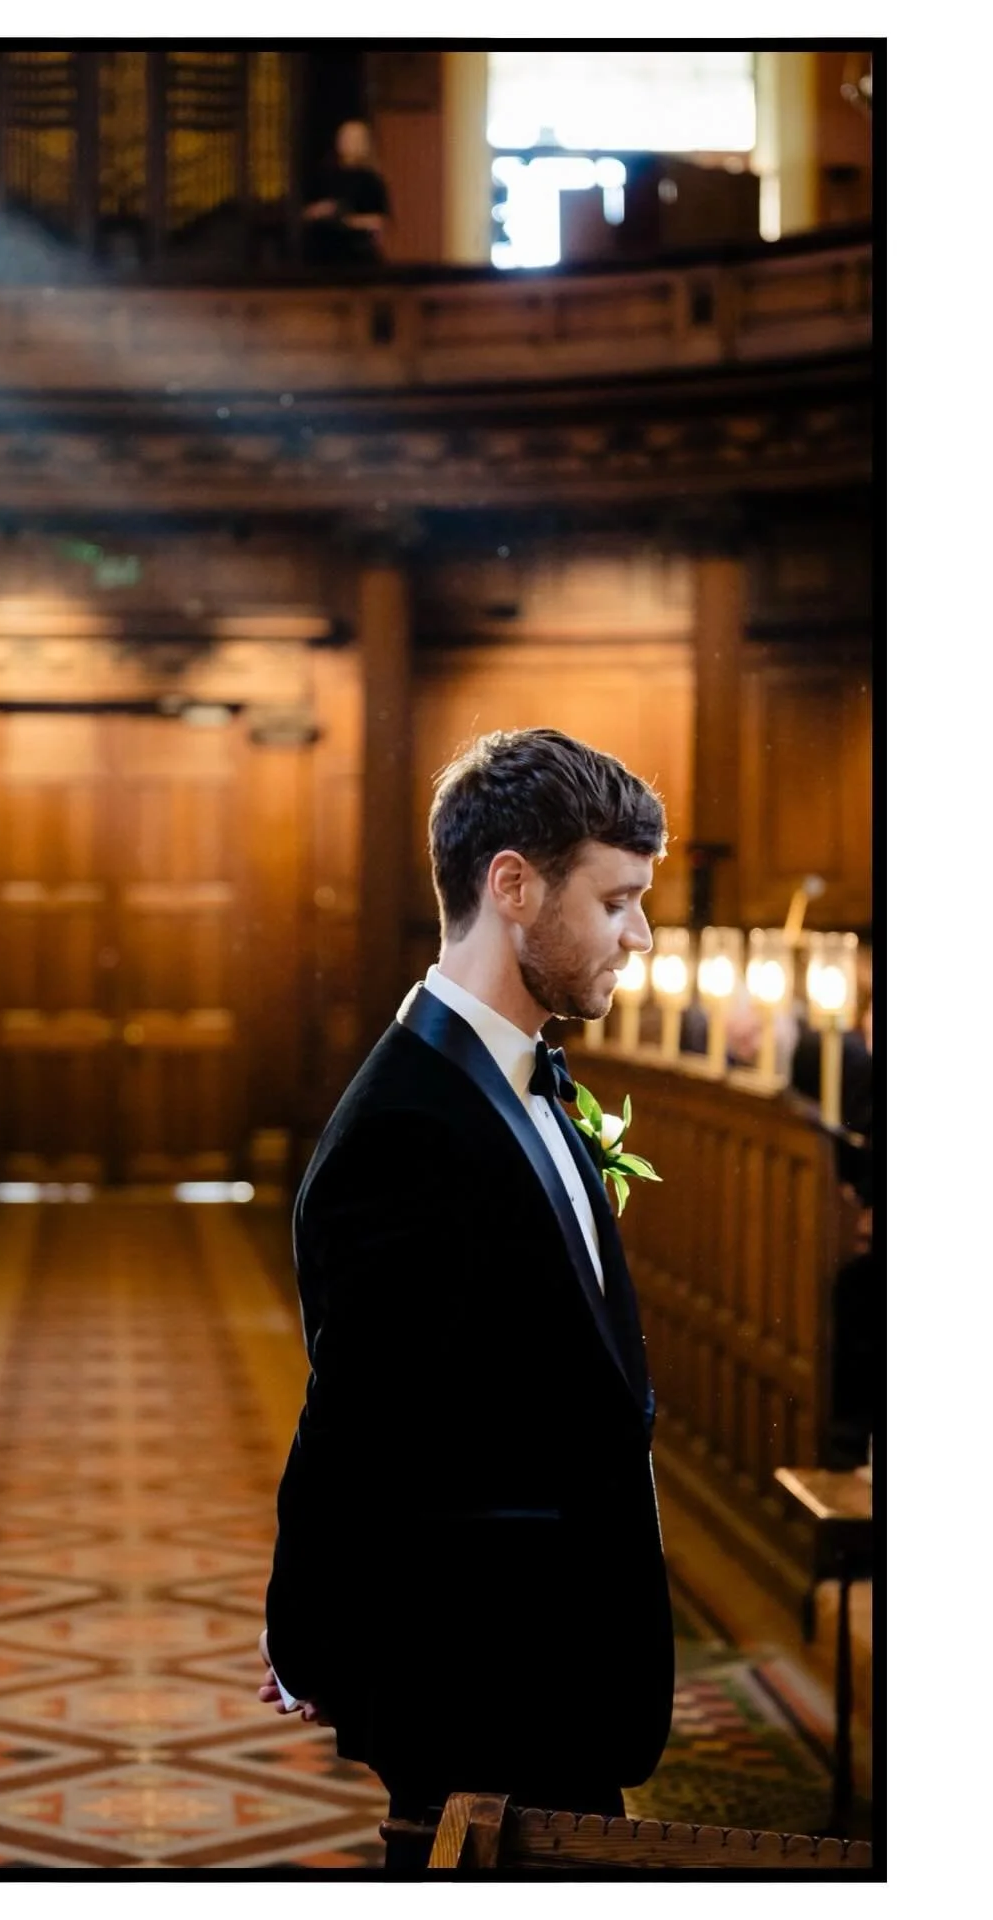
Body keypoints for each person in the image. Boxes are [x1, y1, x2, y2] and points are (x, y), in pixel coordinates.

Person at [257, 728, 675, 1868]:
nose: (639, 935)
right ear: (513, 886)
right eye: (619, 900)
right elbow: (358, 1423)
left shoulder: (522, 1075)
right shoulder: (408, 1128)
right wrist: (311, 1636)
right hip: (486, 1679)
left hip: (561, 1668)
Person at [302, 119, 390, 267]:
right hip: (324, 254)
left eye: (354, 139)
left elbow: (379, 220)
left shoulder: (371, 180)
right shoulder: (324, 175)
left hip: (359, 254)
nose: (348, 143)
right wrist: (322, 211)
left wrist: (348, 221)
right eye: (344, 137)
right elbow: (305, 212)